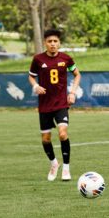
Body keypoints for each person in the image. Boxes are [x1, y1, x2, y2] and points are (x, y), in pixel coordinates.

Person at [28, 28, 81, 181]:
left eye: (55, 41)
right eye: (49, 41)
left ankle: (66, 168)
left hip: (60, 104)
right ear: (45, 43)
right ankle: (54, 164)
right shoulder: (38, 59)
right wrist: (35, 86)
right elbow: (31, 77)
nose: (52, 44)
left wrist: (72, 92)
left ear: (59, 43)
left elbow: (77, 74)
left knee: (63, 134)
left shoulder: (66, 59)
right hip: (44, 105)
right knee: (45, 139)